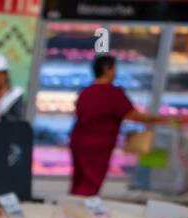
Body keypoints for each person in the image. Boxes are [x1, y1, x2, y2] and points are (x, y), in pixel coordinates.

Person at [69, 53, 172, 196]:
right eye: (114, 68)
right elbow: (133, 115)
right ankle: (81, 212)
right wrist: (164, 119)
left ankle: (70, 209)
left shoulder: (85, 92)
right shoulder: (113, 93)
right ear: (108, 69)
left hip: (79, 141)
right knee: (91, 182)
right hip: (98, 145)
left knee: (80, 180)